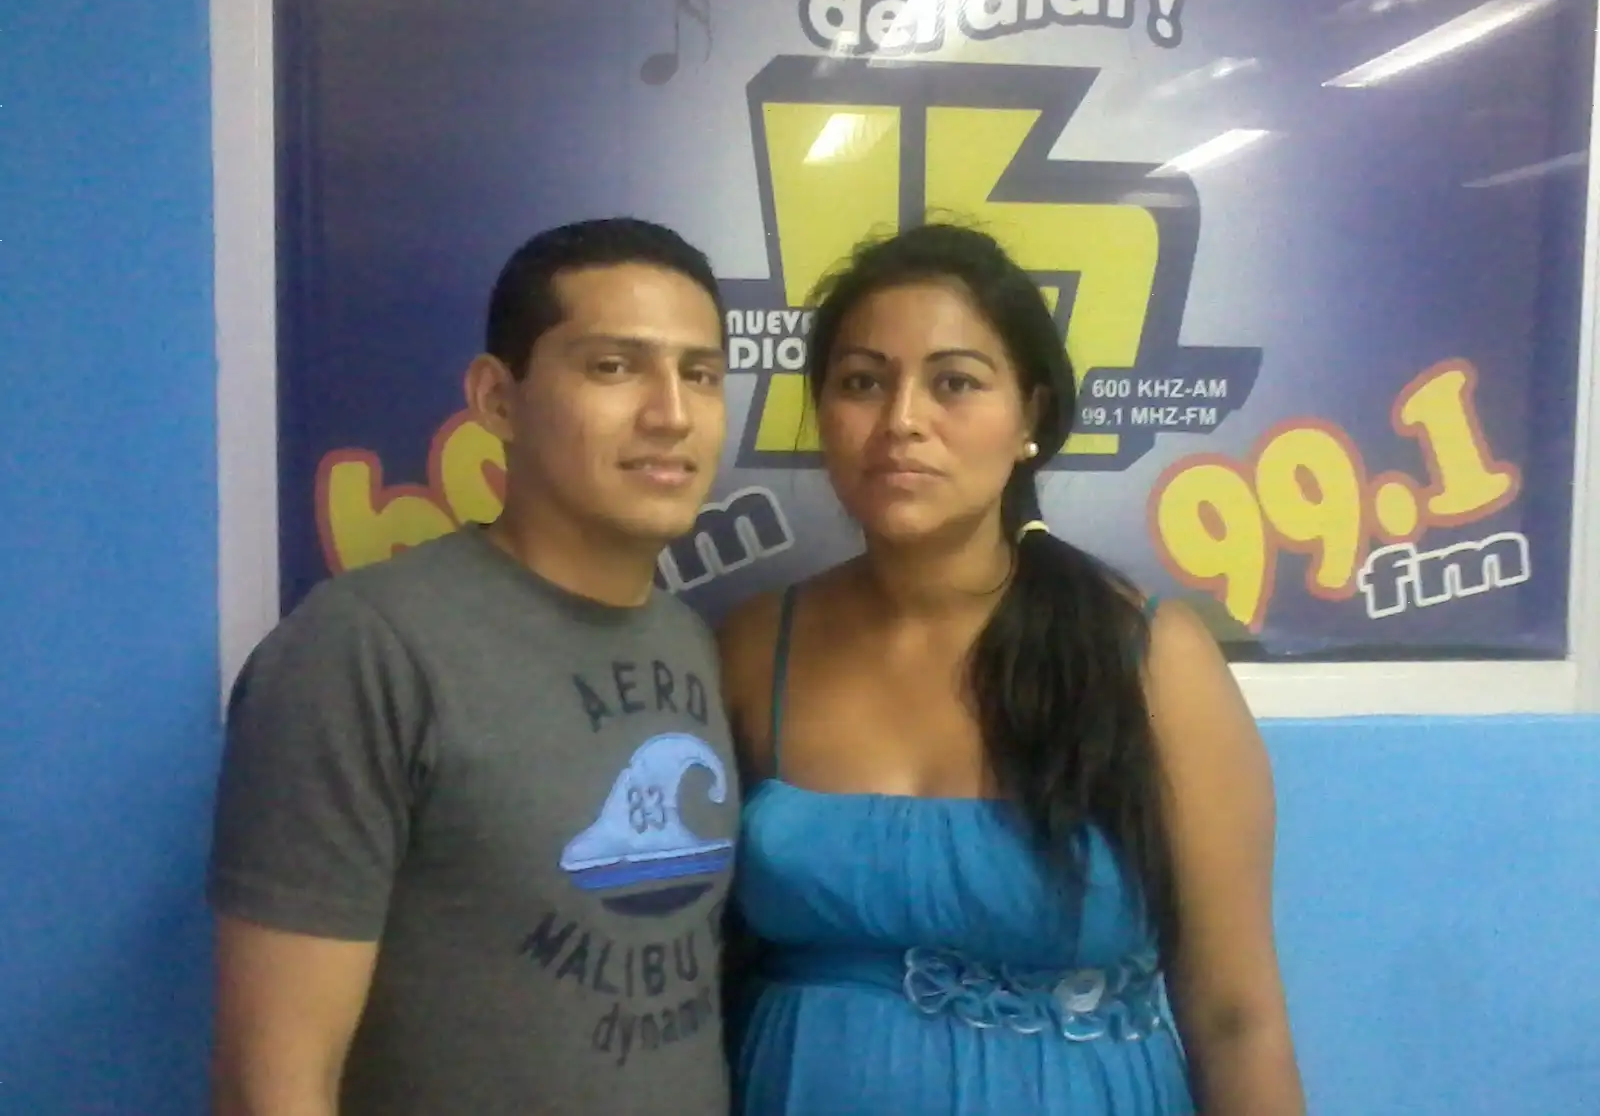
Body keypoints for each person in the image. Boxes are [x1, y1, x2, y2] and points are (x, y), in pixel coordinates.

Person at [718, 223, 1305, 1114]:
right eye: (863, 382)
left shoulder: (1146, 656)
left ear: (1029, 415)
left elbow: (1237, 1019)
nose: (902, 420)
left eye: (954, 382)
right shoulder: (756, 646)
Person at [208, 218, 741, 1116]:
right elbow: (272, 1081)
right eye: (615, 367)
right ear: (497, 399)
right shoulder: (364, 650)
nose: (671, 414)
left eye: (701, 375)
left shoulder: (689, 639)